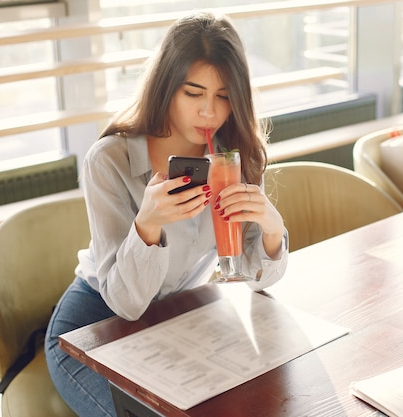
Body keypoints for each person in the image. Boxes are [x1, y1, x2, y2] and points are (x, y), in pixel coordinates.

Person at [45, 10, 289, 417]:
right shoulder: (110, 160)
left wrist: (272, 230)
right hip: (92, 325)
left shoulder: (234, 158)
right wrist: (148, 225)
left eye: (223, 95)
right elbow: (126, 305)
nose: (209, 112)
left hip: (178, 315)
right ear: (167, 87)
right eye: (193, 93)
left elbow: (255, 280)